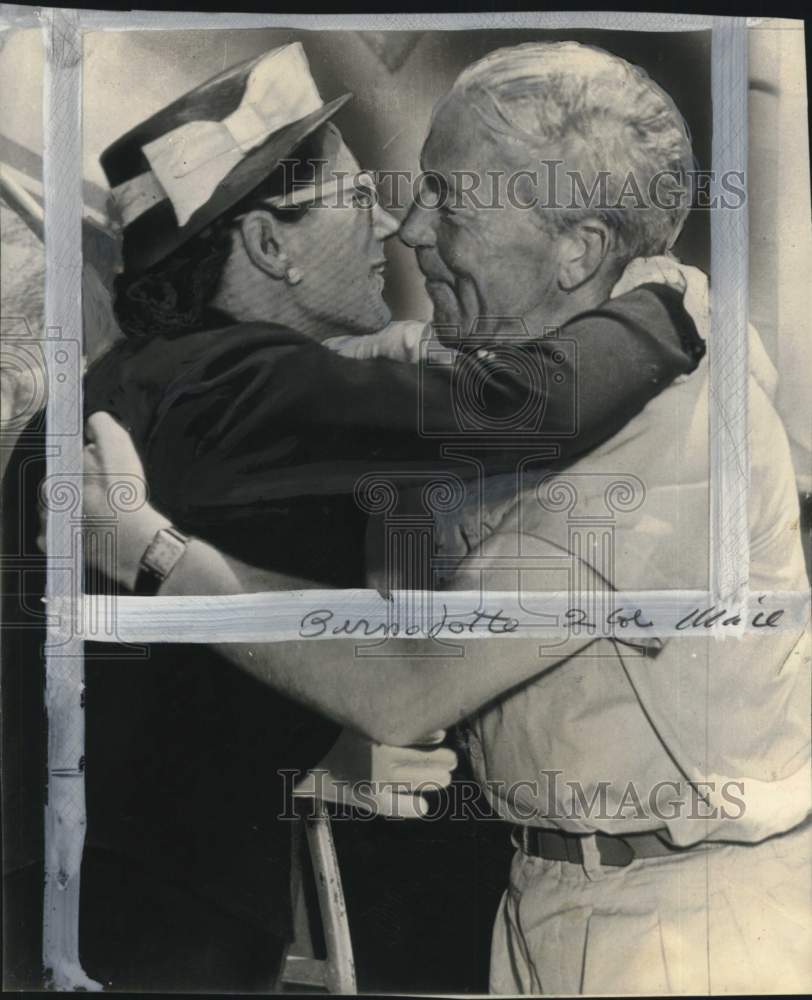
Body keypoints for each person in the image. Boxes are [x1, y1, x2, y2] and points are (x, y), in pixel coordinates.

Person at [81, 42, 810, 994]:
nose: (411, 229)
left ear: (578, 251)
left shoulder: (672, 425)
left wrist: (159, 557)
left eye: (451, 203)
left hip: (688, 928)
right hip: (552, 897)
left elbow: (409, 687)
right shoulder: (526, 359)